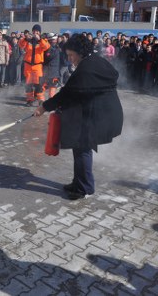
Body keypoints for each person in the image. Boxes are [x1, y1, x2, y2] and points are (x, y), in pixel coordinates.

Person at [33, 34, 123, 200]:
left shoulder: (85, 69)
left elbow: (67, 93)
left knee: (82, 148)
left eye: (71, 55)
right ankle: (78, 182)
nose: (69, 59)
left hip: (98, 115)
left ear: (80, 52)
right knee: (81, 148)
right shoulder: (95, 61)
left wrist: (44, 107)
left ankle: (84, 188)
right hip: (100, 113)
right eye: (67, 56)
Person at [18, 24, 50, 106]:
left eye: (37, 31)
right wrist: (25, 39)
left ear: (39, 32)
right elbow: (21, 45)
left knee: (38, 85)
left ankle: (40, 100)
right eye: (34, 31)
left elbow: (46, 47)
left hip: (37, 66)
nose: (35, 33)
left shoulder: (43, 40)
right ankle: (29, 100)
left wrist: (40, 40)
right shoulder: (28, 40)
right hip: (28, 66)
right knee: (28, 85)